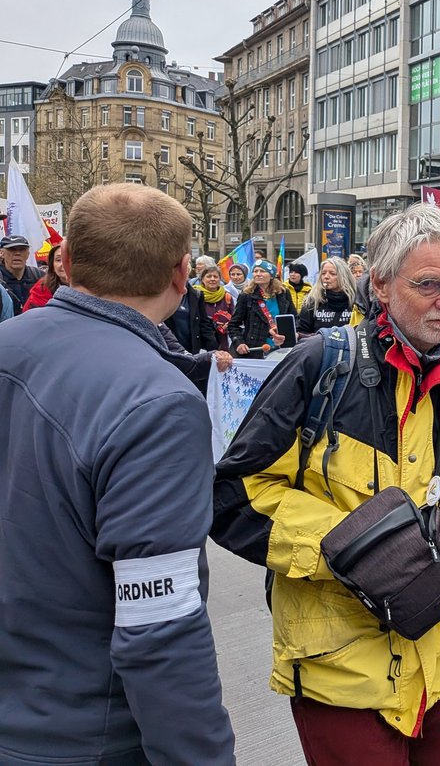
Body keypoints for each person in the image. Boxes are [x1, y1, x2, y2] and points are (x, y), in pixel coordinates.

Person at [210, 203, 440, 763]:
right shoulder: (316, 366)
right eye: (429, 284)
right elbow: (232, 496)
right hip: (342, 674)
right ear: (379, 282)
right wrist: (359, 544)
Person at [0, 184, 234, 763]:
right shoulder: (161, 403)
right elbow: (160, 624)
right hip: (82, 734)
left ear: (68, 262)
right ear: (183, 274)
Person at [227, 259, 296, 358]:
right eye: (255, 271)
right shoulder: (246, 295)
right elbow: (233, 325)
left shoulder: (283, 293)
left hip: (281, 348)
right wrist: (239, 343)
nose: (258, 274)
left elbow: (294, 318)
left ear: (271, 275)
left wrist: (292, 333)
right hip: (256, 349)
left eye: (262, 271)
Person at [296, 256, 361, 335]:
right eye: (323, 273)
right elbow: (301, 331)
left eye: (332, 273)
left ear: (344, 276)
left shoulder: (358, 300)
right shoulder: (313, 301)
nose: (326, 277)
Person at [167, 278, 218, 355]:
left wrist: (213, 349)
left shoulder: (196, 295)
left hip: (192, 348)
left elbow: (204, 323)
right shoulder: (164, 295)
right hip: (170, 347)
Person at [0, 234, 44, 310]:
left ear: (28, 253)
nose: (17, 253)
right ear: (2, 253)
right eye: (12, 249)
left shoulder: (40, 276)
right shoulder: (1, 280)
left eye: (22, 249)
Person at [21, 243, 67, 311]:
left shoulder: (87, 287)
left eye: (68, 259)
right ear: (52, 265)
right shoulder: (41, 290)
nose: (62, 264)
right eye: (58, 260)